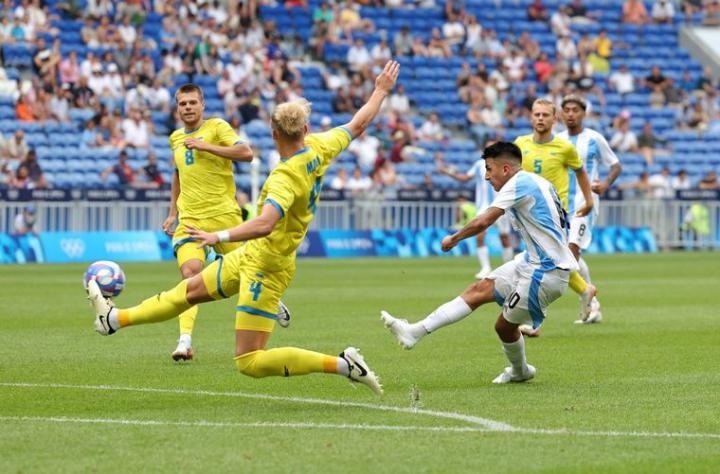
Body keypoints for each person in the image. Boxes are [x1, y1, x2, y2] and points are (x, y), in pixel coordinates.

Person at [86, 60, 401, 395]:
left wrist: (217, 236)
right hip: (252, 255)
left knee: (249, 361)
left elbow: (265, 223)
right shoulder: (320, 148)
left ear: (274, 134)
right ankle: (114, 320)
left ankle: (344, 364)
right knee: (190, 289)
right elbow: (359, 122)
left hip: (268, 267)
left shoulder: (285, 176)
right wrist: (380, 89)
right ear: (306, 130)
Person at [380, 142, 578, 384]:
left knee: (503, 327)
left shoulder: (517, 183)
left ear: (506, 169)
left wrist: (454, 238)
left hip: (545, 273)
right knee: (477, 290)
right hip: (531, 262)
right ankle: (414, 332)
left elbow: (484, 221)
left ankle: (520, 371)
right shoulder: (537, 181)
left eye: (489, 169)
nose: (485, 176)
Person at [161, 83, 290, 362]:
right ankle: (184, 341)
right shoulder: (174, 138)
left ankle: (270, 298)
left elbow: (246, 153)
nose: (187, 108)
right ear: (177, 107)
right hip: (190, 222)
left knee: (251, 271)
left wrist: (205, 146)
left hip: (224, 218)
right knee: (191, 275)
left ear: (202, 104)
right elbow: (177, 174)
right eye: (182, 103)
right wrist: (172, 212)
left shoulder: (217, 127)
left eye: (192, 102)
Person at [513, 99, 596, 329]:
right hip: (528, 214)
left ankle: (531, 320)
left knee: (540, 265)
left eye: (545, 115)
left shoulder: (564, 147)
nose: (540, 118)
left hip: (555, 215)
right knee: (553, 264)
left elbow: (580, 172)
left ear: (554, 119)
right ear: (531, 117)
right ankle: (585, 289)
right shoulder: (520, 144)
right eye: (536, 114)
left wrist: (588, 200)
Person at [559, 95, 622, 324]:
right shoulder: (558, 141)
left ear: (583, 113)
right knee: (570, 254)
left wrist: (605, 184)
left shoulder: (594, 138)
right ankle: (592, 303)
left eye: (575, 109)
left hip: (586, 202)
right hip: (563, 204)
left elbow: (615, 165)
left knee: (571, 252)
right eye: (566, 110)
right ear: (561, 114)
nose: (571, 114)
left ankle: (586, 301)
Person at [439, 153, 515, 279]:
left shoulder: (504, 164)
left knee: (504, 237)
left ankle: (509, 269)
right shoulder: (479, 164)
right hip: (484, 207)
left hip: (501, 205)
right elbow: (465, 178)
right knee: (480, 236)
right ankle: (485, 268)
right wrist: (449, 173)